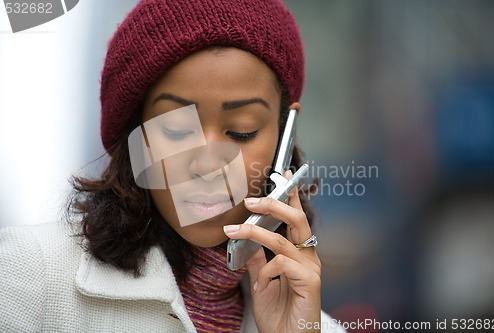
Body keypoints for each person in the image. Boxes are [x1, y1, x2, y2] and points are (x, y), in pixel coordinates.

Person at [0, 0, 345, 332]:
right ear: (135, 135)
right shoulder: (29, 276)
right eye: (177, 130)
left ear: (284, 136)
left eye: (242, 131)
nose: (208, 164)